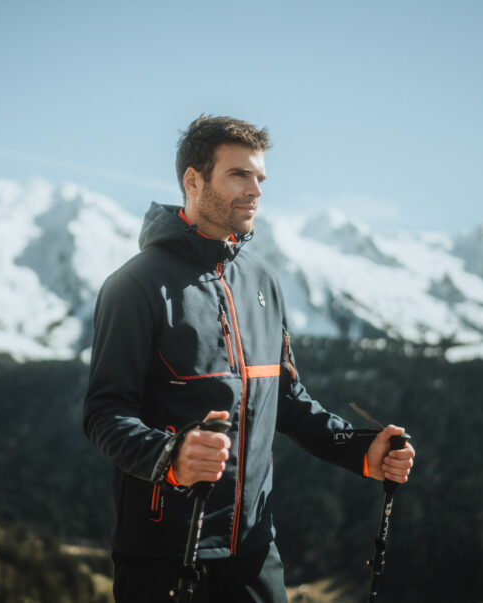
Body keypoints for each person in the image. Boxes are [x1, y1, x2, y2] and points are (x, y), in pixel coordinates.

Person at [83, 115, 415, 602]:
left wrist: (359, 450)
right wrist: (170, 456)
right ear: (193, 181)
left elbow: (287, 399)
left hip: (255, 552)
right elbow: (104, 412)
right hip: (162, 555)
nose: (255, 190)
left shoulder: (263, 282)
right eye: (239, 174)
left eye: (259, 177)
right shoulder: (135, 286)